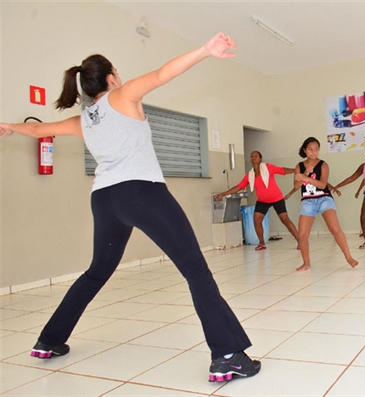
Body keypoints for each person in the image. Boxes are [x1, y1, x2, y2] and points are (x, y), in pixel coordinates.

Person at [0, 33, 260, 382]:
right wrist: (204, 50)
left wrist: (8, 127)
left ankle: (49, 340)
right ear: (111, 76)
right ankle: (227, 354)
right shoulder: (122, 96)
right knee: (195, 270)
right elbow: (163, 73)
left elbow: (39, 130)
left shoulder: (86, 119)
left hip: (105, 199)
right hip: (141, 193)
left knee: (96, 271)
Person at [286, 137, 359, 272]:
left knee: (335, 229)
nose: (314, 152)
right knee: (302, 235)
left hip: (324, 199)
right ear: (304, 150)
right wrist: (306, 172)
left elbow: (322, 184)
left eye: (316, 149)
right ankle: (306, 263)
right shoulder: (299, 166)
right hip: (307, 201)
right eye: (310, 149)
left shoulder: (323, 165)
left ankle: (349, 257)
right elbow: (296, 185)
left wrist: (306, 178)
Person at [215, 150, 299, 250]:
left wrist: (296, 170)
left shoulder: (267, 167)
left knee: (285, 219)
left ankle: (300, 241)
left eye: (256, 156)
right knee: (257, 220)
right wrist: (223, 194)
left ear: (260, 159)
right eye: (252, 156)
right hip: (262, 200)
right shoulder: (249, 175)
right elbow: (238, 187)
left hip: (277, 198)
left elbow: (282, 170)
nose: (253, 158)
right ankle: (262, 243)